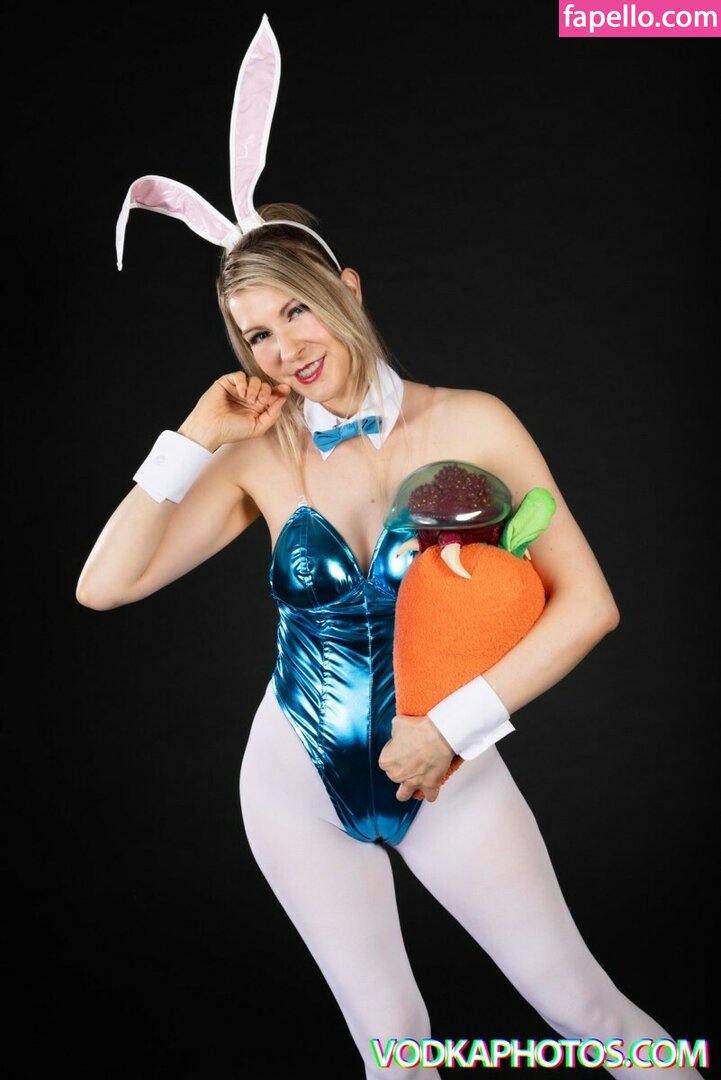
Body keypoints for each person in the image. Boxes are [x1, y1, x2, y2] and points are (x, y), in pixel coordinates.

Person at [75, 17, 704, 1080]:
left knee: (587, 1009)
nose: (285, 347)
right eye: (256, 334)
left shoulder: (475, 423)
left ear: (348, 291)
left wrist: (453, 727)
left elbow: (587, 606)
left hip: (444, 773)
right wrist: (190, 438)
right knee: (395, 1051)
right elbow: (104, 584)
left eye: (296, 311)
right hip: (292, 784)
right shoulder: (257, 454)